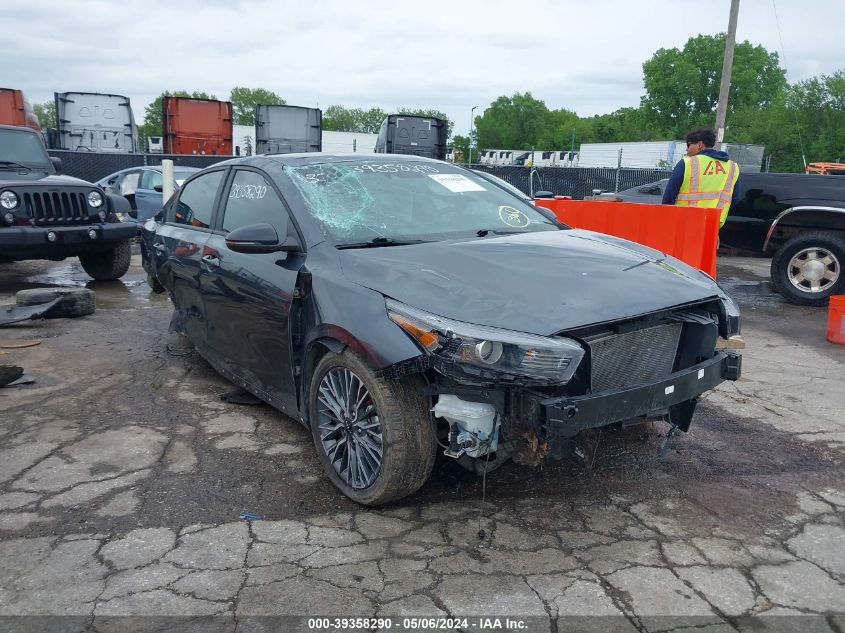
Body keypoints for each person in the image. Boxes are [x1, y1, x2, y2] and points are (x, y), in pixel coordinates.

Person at [662, 128, 740, 227]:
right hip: (713, 226)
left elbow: (668, 197)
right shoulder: (733, 167)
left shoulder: (687, 163)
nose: (687, 149)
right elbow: (734, 199)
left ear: (699, 145)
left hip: (685, 225)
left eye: (689, 145)